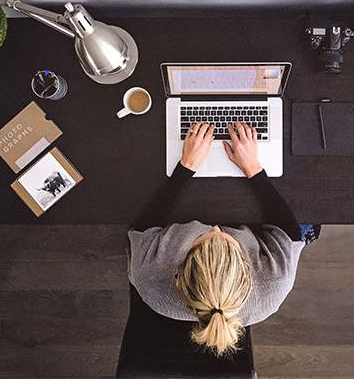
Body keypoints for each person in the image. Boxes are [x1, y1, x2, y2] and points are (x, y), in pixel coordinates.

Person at [128, 122, 308, 357]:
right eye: (224, 236)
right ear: (247, 268)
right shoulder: (275, 282)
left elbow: (142, 228)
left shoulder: (149, 274)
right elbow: (290, 232)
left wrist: (185, 167)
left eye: (202, 238)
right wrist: (253, 168)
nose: (214, 227)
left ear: (179, 272)